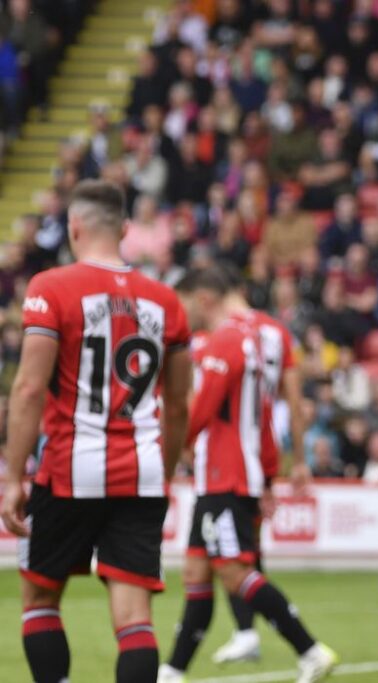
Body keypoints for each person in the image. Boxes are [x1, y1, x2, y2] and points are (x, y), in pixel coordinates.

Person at [0, 179, 193, 683]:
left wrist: (13, 477)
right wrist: (165, 473)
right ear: (125, 229)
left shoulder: (51, 287)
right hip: (143, 471)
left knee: (41, 597)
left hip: (68, 468)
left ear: (74, 227)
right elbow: (177, 406)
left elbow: (27, 390)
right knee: (134, 619)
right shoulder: (167, 301)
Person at [158, 268, 336, 683]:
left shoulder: (227, 338)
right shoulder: (255, 337)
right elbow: (264, 414)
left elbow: (201, 410)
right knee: (197, 573)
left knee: (236, 572)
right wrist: (271, 474)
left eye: (186, 306)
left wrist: (176, 446)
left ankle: (310, 651)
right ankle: (172, 671)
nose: (185, 317)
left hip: (226, 473)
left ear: (203, 298)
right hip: (227, 472)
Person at [206, 264, 312, 666]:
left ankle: (292, 644)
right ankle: (248, 633)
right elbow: (293, 402)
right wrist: (295, 461)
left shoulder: (223, 331)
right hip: (260, 452)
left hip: (223, 456)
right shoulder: (276, 332)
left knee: (228, 556)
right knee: (241, 550)